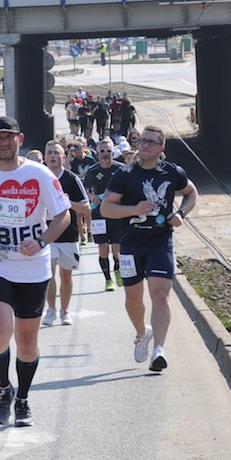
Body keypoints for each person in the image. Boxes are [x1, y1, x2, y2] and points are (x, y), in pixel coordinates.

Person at [0, 116, 71, 427]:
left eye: (10, 137)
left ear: (20, 140)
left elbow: (63, 215)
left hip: (33, 268)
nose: (4, 142)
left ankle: (22, 398)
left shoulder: (38, 173)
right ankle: (4, 389)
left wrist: (42, 240)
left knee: (26, 341)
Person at [101, 125, 198, 372]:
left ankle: (159, 351)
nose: (145, 145)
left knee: (160, 295)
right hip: (131, 243)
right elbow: (106, 208)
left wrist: (181, 214)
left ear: (161, 147)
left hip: (160, 241)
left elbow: (191, 193)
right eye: (143, 141)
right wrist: (134, 209)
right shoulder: (125, 173)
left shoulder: (172, 172)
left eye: (151, 142)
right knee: (133, 298)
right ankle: (142, 332)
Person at [41, 141, 90, 326]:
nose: (53, 156)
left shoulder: (71, 179)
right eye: (49, 153)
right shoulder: (39, 178)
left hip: (68, 234)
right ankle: (51, 309)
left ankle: (65, 310)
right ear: (45, 158)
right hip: (47, 234)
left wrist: (68, 203)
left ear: (63, 157)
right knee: (49, 273)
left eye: (56, 153)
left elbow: (86, 207)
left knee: (66, 275)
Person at [82, 138, 124, 291]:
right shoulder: (92, 171)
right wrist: (92, 197)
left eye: (108, 151)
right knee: (104, 248)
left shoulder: (121, 169)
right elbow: (85, 189)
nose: (105, 154)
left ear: (113, 152)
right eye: (102, 151)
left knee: (117, 249)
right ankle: (108, 280)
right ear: (97, 153)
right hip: (99, 215)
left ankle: (118, 270)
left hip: (117, 213)